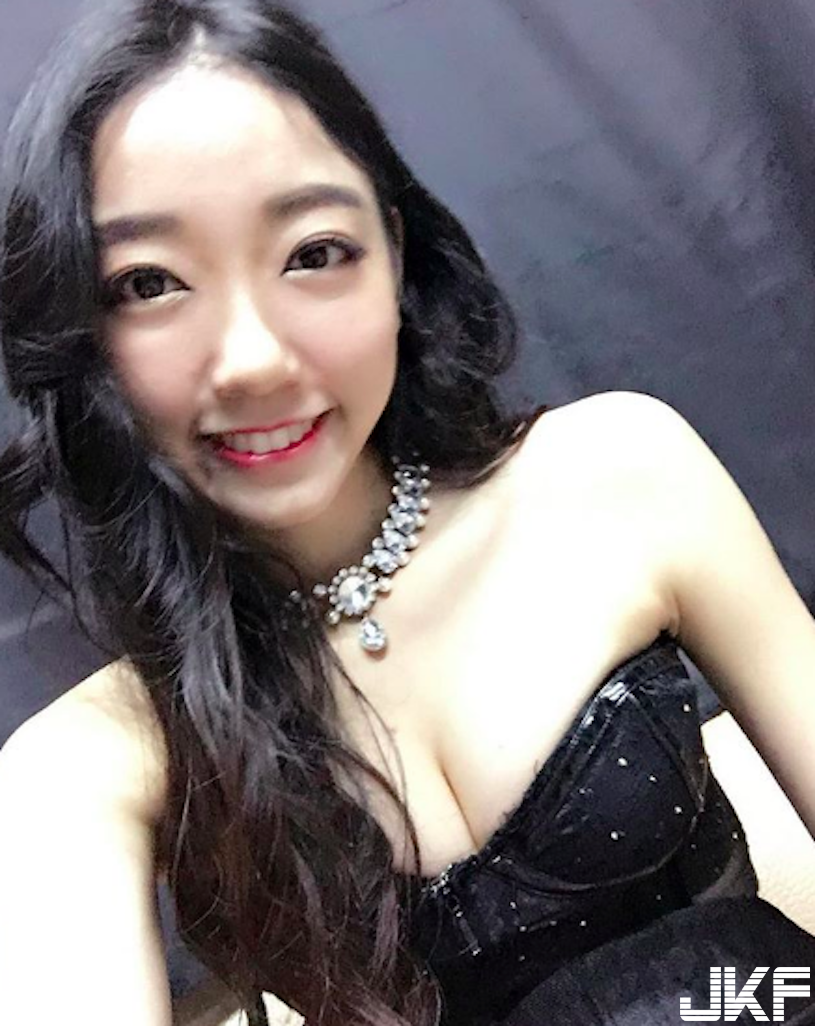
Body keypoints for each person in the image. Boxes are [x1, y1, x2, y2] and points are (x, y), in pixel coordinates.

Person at [0, 2, 813, 1025]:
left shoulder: (618, 473)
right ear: (79, 327)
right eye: (149, 282)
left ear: (393, 254)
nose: (251, 360)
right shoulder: (94, 762)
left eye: (313, 251)